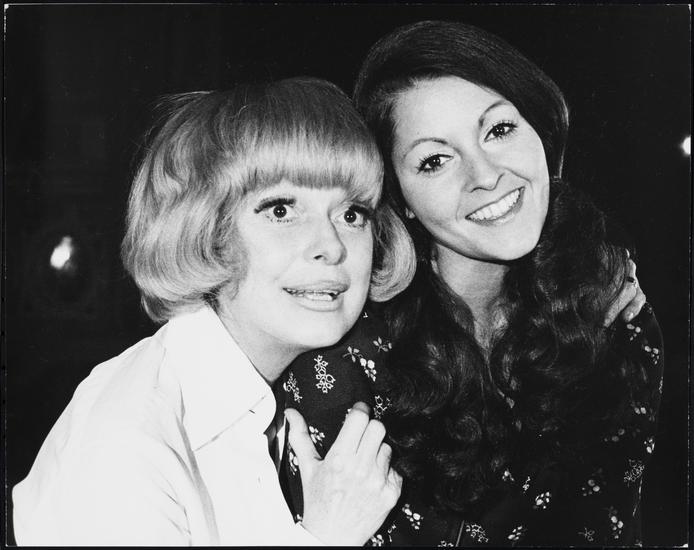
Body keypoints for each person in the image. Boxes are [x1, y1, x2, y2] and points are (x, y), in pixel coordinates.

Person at [280, 21, 662, 546]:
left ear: (540, 131)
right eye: (435, 161)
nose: (485, 175)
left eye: (499, 130)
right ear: (399, 199)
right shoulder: (343, 358)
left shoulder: (612, 308)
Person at [12, 77, 412, 546]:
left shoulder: (286, 396)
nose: (332, 246)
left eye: (352, 214)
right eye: (281, 210)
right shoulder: (128, 440)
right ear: (205, 230)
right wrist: (327, 536)